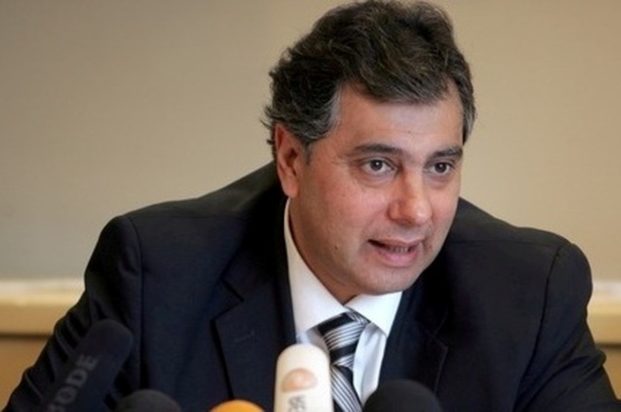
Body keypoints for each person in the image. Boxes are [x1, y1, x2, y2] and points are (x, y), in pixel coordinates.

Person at [5, 1, 619, 411]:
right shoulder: (155, 273)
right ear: (291, 159)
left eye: (440, 167)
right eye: (378, 165)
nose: (416, 211)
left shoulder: (527, 292)